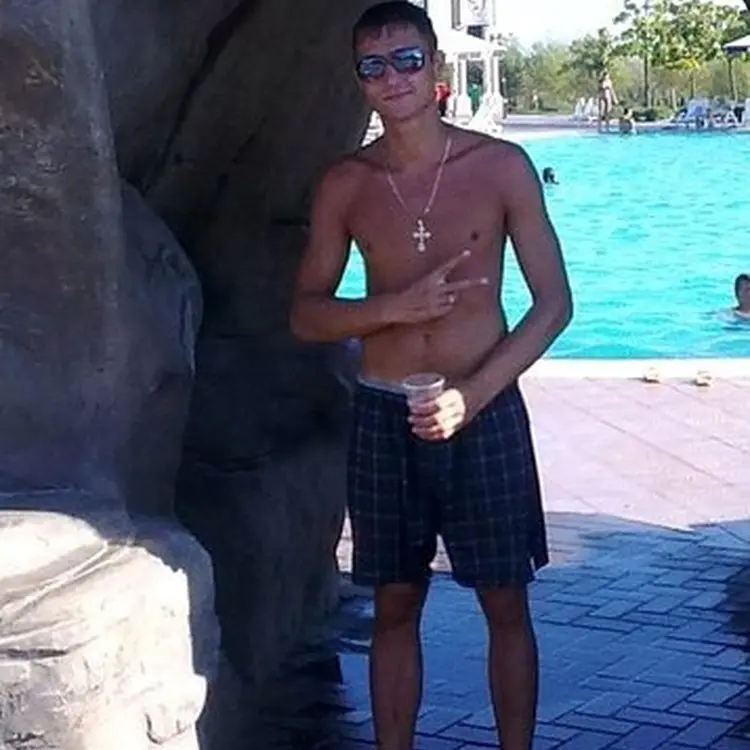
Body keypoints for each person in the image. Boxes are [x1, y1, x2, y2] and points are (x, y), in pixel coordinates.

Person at [289, 3, 573, 749]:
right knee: (393, 602)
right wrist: (394, 307)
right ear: (359, 81)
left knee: (505, 601)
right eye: (373, 66)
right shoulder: (346, 184)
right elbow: (306, 315)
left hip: (484, 407)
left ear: (436, 68)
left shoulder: (500, 167)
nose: (393, 78)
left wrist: (471, 396)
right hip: (385, 414)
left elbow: (554, 304)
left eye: (408, 59)